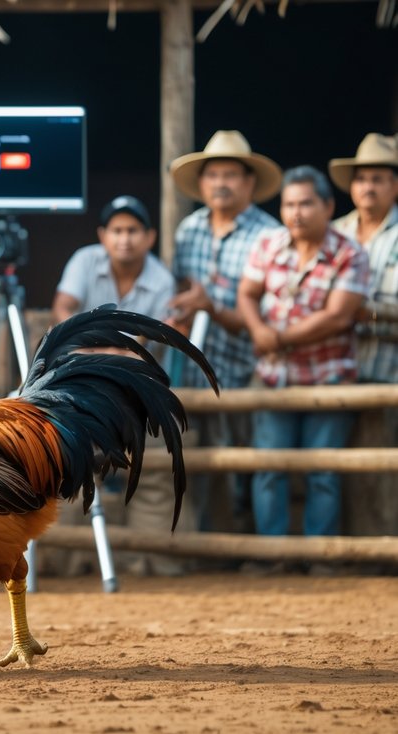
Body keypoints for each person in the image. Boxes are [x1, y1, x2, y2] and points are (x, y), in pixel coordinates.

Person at [50, 196, 190, 576]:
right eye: (117, 230)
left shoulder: (161, 279)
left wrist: (95, 348)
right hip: (76, 388)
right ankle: (64, 561)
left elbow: (147, 345)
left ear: (149, 237)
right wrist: (105, 350)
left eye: (132, 230)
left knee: (154, 474)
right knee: (64, 464)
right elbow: (62, 308)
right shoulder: (84, 260)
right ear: (103, 235)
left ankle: (151, 562)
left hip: (137, 394)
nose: (124, 238)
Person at [236, 166, 369, 554]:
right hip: (274, 376)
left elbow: (338, 316)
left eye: (306, 203)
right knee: (268, 470)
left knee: (322, 472)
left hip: (329, 377)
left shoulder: (349, 252)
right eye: (289, 204)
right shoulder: (268, 243)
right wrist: (258, 329)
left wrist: (273, 336)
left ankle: (321, 556)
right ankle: (271, 556)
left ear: (328, 206)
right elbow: (247, 293)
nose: (296, 212)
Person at [167, 130, 281, 536]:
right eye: (213, 174)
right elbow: (181, 295)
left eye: (231, 174)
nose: (221, 183)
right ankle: (209, 542)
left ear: (249, 182)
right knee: (202, 459)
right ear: (201, 183)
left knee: (249, 459)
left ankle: (248, 541)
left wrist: (210, 306)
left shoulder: (269, 235)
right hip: (197, 366)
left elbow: (266, 314)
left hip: (248, 364)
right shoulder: (189, 230)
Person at [330, 133, 398, 384]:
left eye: (377, 179)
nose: (368, 187)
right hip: (334, 374)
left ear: (395, 186)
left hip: (390, 373)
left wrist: (369, 312)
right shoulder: (333, 233)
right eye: (361, 179)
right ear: (351, 187)